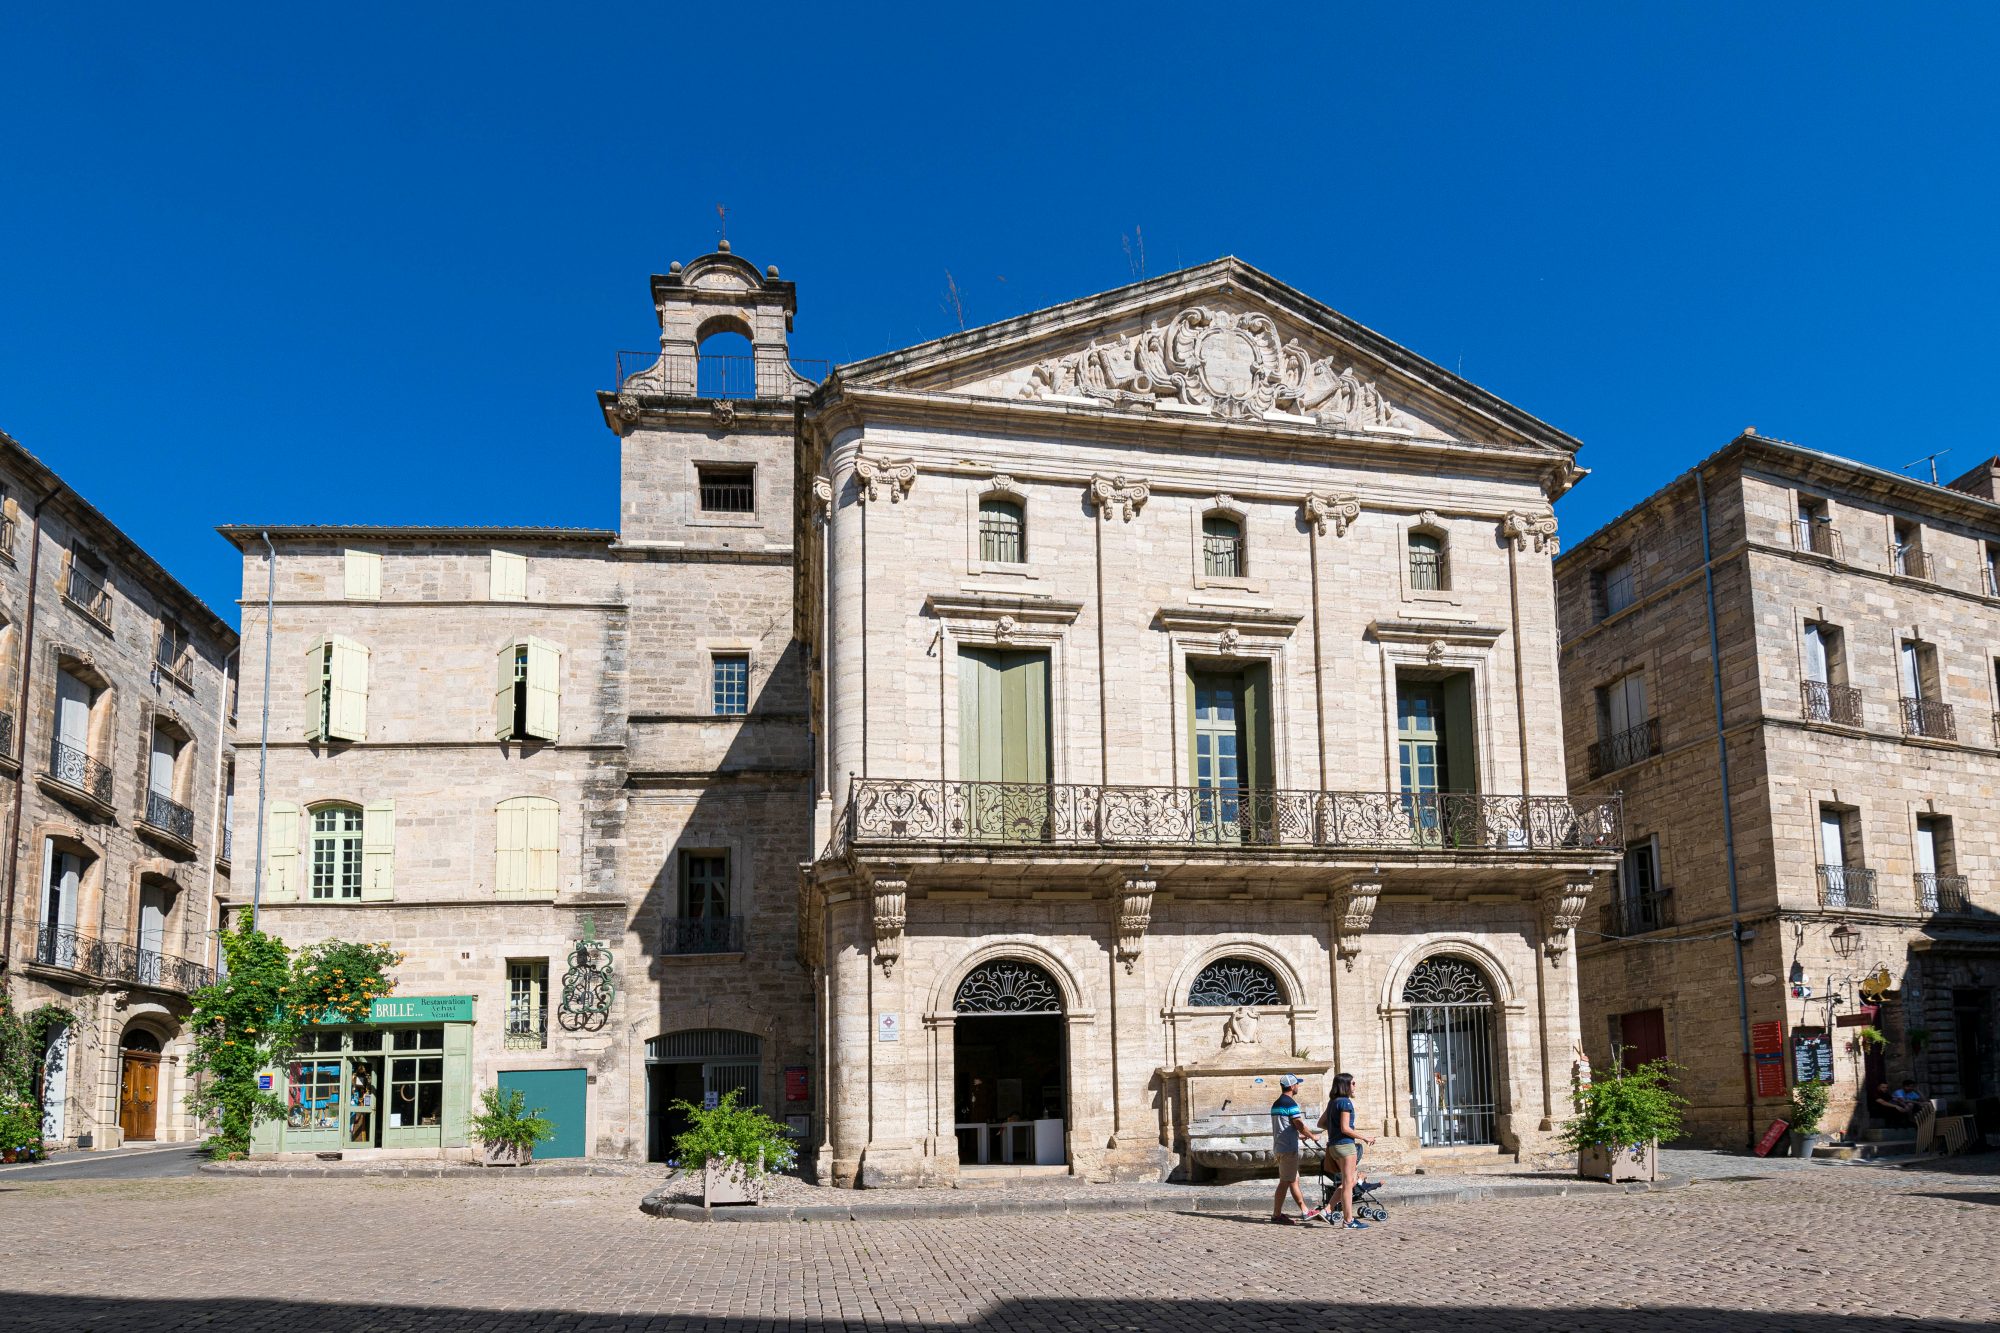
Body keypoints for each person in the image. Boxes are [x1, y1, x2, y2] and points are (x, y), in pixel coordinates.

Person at [1318, 1071, 1378, 1230]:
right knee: (1348, 1184)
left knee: (1348, 1182)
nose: (1355, 1086)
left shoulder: (1333, 1102)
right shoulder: (1345, 1103)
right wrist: (1365, 1138)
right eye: (1352, 1083)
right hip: (1345, 1146)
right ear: (1345, 1085)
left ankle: (1328, 1209)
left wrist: (1334, 1128)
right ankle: (1348, 1220)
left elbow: (1321, 1123)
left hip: (1334, 1146)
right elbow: (1345, 1128)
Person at [1268, 1073, 1322, 1225]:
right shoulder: (1290, 1103)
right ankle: (1278, 1215)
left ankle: (1304, 1210)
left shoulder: (1277, 1103)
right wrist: (1312, 1136)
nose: (1298, 1086)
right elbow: (1298, 1123)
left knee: (1293, 1180)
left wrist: (1298, 1137)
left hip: (1281, 1146)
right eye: (1297, 1084)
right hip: (1288, 1149)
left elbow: (1283, 1127)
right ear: (1292, 1086)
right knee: (1286, 1181)